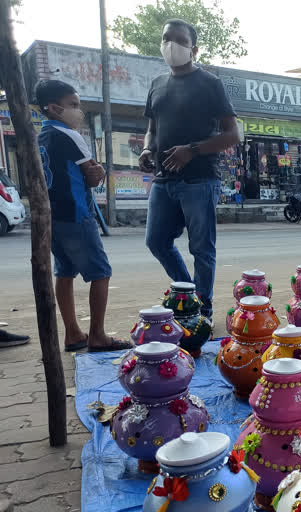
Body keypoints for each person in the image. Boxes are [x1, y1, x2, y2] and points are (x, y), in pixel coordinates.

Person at [140, 19, 239, 321]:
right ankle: (188, 294)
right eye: (166, 38)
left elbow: (233, 135)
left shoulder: (210, 84)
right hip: (163, 179)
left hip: (199, 179)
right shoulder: (157, 84)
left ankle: (202, 310)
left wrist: (191, 150)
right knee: (156, 242)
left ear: (193, 49)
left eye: (180, 40)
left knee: (202, 250)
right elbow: (151, 128)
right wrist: (146, 148)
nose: (171, 45)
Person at [34, 80, 130, 352]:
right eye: (73, 105)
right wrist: (96, 172)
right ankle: (97, 335)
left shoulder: (40, 137)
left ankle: (73, 333)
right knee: (100, 272)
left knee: (64, 271)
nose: (79, 111)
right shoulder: (69, 135)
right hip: (76, 214)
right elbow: (92, 173)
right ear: (54, 108)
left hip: (52, 217)